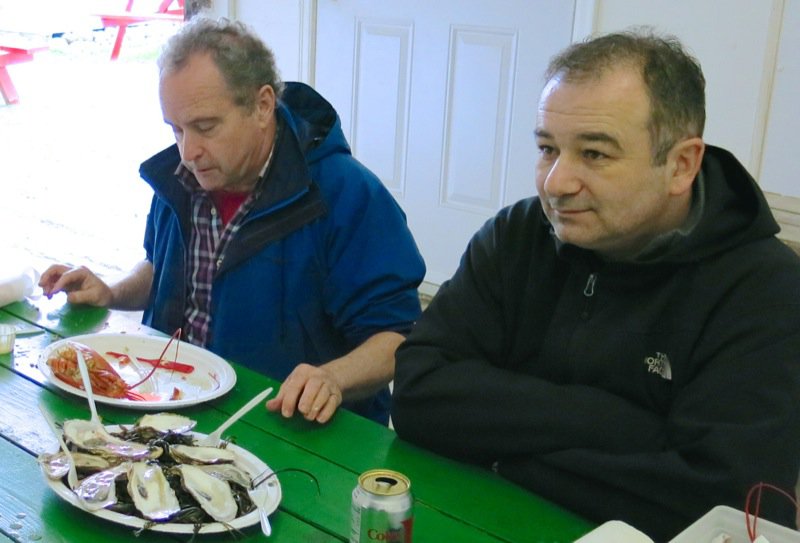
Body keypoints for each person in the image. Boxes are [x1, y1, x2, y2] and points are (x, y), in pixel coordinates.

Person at [391, 28, 800, 540]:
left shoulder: (764, 290)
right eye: (547, 148)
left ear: (681, 165)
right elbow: (416, 392)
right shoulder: (519, 234)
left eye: (595, 154)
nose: (556, 182)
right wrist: (621, 424)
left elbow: (723, 509)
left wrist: (506, 455)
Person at [39, 17, 425, 426]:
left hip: (290, 428)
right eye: (176, 130)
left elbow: (398, 337)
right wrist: (110, 292)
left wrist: (333, 377)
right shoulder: (181, 175)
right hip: (172, 406)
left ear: (262, 106)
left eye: (205, 127)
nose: (189, 152)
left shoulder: (346, 194)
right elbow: (163, 269)